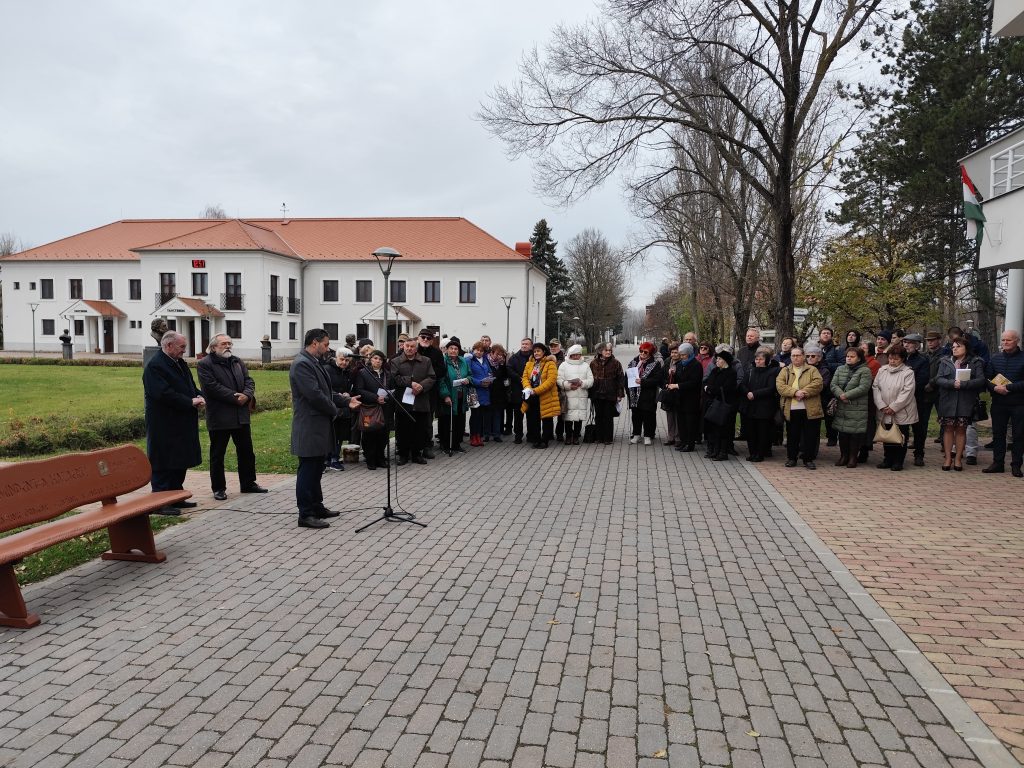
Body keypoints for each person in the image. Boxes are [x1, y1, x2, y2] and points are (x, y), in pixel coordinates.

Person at [290, 329, 360, 528]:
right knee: (308, 469)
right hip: (309, 426)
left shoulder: (314, 362)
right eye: (326, 344)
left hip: (319, 425)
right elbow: (314, 395)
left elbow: (327, 392)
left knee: (317, 468)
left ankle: (317, 506)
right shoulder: (302, 364)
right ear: (315, 343)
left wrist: (346, 401)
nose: (328, 348)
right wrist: (336, 410)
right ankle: (305, 513)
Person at [198, 334, 268, 500]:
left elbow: (249, 381)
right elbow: (212, 387)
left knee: (246, 452)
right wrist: (236, 397)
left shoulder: (237, 361)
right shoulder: (204, 364)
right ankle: (219, 488)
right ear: (214, 347)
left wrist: (247, 395)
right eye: (224, 344)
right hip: (220, 416)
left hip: (241, 415)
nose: (227, 346)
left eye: (229, 343)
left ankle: (248, 483)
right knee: (218, 454)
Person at [143, 331, 205, 513]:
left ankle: (176, 496)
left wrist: (199, 395)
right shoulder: (155, 366)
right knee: (163, 461)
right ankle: (160, 502)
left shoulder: (179, 363)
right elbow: (163, 393)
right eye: (182, 347)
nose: (184, 351)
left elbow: (189, 386)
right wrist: (189, 402)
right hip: (164, 423)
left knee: (180, 459)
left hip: (182, 421)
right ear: (169, 346)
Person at [935, 337, 984, 471]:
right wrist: (951, 383)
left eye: (958, 346)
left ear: (966, 348)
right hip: (948, 400)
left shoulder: (975, 362)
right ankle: (948, 458)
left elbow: (980, 380)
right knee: (948, 428)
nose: (954, 349)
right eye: (953, 347)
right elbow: (938, 379)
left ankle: (958, 458)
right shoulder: (945, 361)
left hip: (965, 400)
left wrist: (964, 384)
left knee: (962, 430)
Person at [872, 342, 918, 472]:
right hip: (884, 409)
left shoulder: (908, 372)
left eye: (896, 359)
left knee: (900, 436)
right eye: (891, 358)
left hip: (901, 410)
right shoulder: (882, 370)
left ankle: (898, 461)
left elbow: (907, 392)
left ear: (902, 359)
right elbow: (876, 387)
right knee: (887, 435)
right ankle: (887, 459)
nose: (892, 361)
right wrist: (881, 405)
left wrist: (893, 407)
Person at [776, 346, 824, 470]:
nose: (795, 358)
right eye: (793, 355)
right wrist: (794, 392)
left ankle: (808, 459)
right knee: (792, 435)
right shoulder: (785, 371)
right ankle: (792, 458)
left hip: (810, 408)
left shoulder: (812, 370)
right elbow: (780, 386)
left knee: (810, 435)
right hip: (791, 408)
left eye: (798, 355)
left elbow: (818, 384)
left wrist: (803, 392)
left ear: (803, 356)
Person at [984, 329, 1024, 476]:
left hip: (1019, 403)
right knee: (998, 434)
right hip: (999, 403)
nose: (1005, 343)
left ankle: (1016, 465)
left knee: (1019, 435)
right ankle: (998, 463)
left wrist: (1008, 387)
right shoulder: (995, 358)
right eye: (1003, 340)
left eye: (1009, 340)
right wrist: (995, 388)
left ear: (1017, 341)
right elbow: (986, 378)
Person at [391, 337, 437, 465]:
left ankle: (417, 454)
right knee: (403, 429)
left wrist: (421, 386)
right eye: (407, 346)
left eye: (412, 346)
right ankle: (403, 455)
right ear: (403, 346)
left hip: (421, 400)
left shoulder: (426, 361)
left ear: (416, 348)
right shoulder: (395, 361)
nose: (409, 349)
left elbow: (432, 377)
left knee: (420, 429)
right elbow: (395, 378)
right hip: (403, 402)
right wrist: (411, 383)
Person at [830, 346, 872, 468]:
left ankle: (853, 458)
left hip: (856, 407)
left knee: (854, 434)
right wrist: (840, 395)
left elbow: (864, 387)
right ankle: (843, 456)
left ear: (859, 358)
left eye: (852, 357)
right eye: (847, 356)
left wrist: (846, 395)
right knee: (842, 433)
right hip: (842, 406)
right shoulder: (840, 369)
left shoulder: (865, 371)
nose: (849, 359)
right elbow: (833, 384)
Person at [353, 349, 391, 470]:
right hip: (369, 408)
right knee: (369, 434)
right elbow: (359, 390)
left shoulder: (387, 374)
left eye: (380, 359)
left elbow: (392, 388)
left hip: (384, 408)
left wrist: (389, 396)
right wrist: (375, 398)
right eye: (375, 358)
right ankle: (370, 459)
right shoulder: (363, 373)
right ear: (370, 359)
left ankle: (380, 458)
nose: (378, 361)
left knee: (383, 434)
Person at [741, 348, 780, 462]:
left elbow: (770, 388)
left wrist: (755, 394)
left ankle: (760, 453)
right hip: (750, 406)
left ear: (766, 361)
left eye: (761, 359)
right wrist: (747, 392)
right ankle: (752, 452)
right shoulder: (750, 371)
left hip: (764, 406)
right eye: (757, 359)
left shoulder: (771, 372)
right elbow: (742, 384)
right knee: (751, 431)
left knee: (762, 431)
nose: (758, 361)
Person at [521, 342, 559, 448]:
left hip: (545, 395)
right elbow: (524, 377)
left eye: (538, 351)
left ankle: (545, 440)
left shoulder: (550, 363)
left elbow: (551, 381)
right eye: (534, 351)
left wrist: (535, 390)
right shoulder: (529, 364)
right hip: (532, 396)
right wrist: (528, 388)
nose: (536, 353)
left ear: (544, 352)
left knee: (546, 419)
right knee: (534, 419)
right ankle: (536, 439)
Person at [902, 333, 932, 466]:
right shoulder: (900, 358)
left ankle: (919, 454)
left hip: (918, 398)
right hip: (901, 399)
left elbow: (921, 380)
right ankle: (899, 453)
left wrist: (906, 390)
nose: (907, 345)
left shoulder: (922, 360)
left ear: (917, 345)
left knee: (919, 428)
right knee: (902, 427)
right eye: (905, 342)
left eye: (910, 343)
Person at [703, 348, 738, 461]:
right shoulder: (715, 371)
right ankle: (714, 450)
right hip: (712, 403)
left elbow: (725, 389)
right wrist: (710, 388)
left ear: (725, 360)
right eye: (717, 358)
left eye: (719, 359)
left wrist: (710, 389)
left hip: (724, 404)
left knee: (723, 428)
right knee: (712, 428)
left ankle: (723, 452)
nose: (717, 361)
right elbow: (707, 383)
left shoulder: (731, 373)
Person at [627, 341, 664, 445]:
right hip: (634, 394)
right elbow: (627, 377)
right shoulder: (633, 362)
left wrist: (643, 382)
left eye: (645, 352)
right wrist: (627, 390)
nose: (642, 354)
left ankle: (648, 435)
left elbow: (657, 379)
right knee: (636, 415)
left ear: (650, 353)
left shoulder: (654, 364)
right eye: (641, 351)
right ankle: (636, 434)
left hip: (648, 394)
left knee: (648, 415)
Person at [323, 347, 354, 472]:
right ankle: (325, 459)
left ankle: (335, 458)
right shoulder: (327, 370)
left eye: (347, 360)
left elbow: (351, 386)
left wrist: (348, 393)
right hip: (331, 404)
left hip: (343, 405)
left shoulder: (348, 371)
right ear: (336, 358)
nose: (344, 363)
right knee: (330, 433)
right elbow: (325, 388)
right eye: (342, 359)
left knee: (340, 433)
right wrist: (337, 395)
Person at [416, 329, 445, 459]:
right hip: (413, 391)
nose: (425, 339)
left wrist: (426, 377)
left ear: (432, 340)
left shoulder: (437, 353)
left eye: (428, 338)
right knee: (412, 419)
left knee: (427, 421)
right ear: (418, 338)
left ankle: (427, 446)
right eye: (423, 337)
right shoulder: (412, 348)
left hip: (430, 392)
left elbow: (441, 370)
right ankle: (412, 447)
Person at [438, 340, 471, 454]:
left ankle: (456, 444)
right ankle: (446, 445)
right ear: (446, 350)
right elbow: (441, 380)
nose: (453, 350)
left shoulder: (463, 361)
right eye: (451, 348)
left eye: (456, 349)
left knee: (459, 422)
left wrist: (468, 379)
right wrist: (445, 395)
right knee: (447, 422)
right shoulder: (443, 361)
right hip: (449, 396)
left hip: (461, 396)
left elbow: (470, 374)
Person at [557, 344, 594, 445]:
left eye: (578, 354)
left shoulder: (585, 365)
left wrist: (582, 383)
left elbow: (591, 380)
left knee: (578, 418)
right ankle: (568, 436)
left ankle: (576, 436)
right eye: (574, 355)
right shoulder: (564, 365)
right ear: (570, 355)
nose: (576, 356)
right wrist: (567, 385)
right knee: (568, 418)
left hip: (581, 394)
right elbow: (559, 379)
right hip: (568, 395)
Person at [589, 342, 624, 445]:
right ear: (600, 351)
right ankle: (599, 437)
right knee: (599, 416)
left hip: (610, 393)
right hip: (597, 393)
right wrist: (590, 393)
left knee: (608, 416)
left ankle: (608, 438)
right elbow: (590, 377)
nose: (608, 352)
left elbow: (621, 379)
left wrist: (619, 394)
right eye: (606, 350)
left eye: (610, 350)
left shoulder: (616, 363)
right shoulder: (593, 363)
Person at [671, 343, 704, 452]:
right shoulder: (680, 364)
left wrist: (678, 385)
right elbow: (678, 378)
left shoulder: (696, 365)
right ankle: (683, 441)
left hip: (691, 398)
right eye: (681, 354)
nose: (681, 356)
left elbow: (694, 382)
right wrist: (672, 375)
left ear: (690, 354)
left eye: (684, 354)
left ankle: (690, 444)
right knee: (681, 422)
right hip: (680, 398)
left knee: (690, 422)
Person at [468, 341, 495, 446]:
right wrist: (480, 382)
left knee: (480, 416)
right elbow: (468, 375)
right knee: (474, 415)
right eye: (477, 350)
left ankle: (479, 436)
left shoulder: (485, 360)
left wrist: (490, 379)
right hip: (475, 391)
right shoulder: (469, 360)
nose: (479, 352)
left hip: (485, 391)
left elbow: (489, 371)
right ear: (473, 350)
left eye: (481, 350)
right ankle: (473, 436)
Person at [507, 338, 533, 443]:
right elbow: (509, 369)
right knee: (518, 415)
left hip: (532, 390)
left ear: (531, 346)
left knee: (531, 414)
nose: (524, 346)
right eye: (523, 344)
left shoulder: (534, 357)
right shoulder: (514, 357)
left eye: (527, 344)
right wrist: (520, 379)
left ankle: (531, 434)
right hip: (518, 390)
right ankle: (518, 435)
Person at [660, 343, 683, 445]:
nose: (674, 354)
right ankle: (671, 437)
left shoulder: (682, 363)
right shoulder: (667, 361)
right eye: (672, 352)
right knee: (669, 416)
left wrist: (674, 374)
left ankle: (678, 438)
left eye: (676, 352)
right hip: (668, 393)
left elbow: (683, 377)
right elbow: (662, 376)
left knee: (677, 416)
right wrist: (665, 384)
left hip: (678, 392)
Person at [487, 344, 509, 442]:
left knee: (497, 413)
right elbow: (492, 376)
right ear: (491, 353)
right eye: (497, 354)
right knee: (487, 413)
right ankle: (486, 434)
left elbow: (503, 376)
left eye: (501, 354)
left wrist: (501, 365)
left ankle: (496, 434)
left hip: (499, 392)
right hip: (488, 391)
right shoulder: (486, 362)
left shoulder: (501, 364)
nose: (499, 356)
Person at [548, 339, 567, 440]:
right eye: (551, 346)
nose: (553, 348)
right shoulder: (546, 358)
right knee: (549, 413)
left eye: (555, 346)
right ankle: (549, 433)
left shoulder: (565, 359)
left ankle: (559, 433)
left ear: (559, 346)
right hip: (549, 389)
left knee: (561, 413)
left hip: (561, 390)